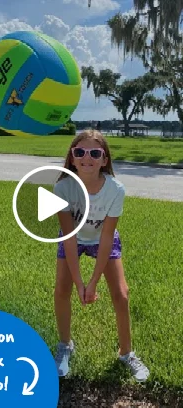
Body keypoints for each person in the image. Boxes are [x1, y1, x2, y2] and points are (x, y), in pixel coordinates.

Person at [53, 129, 150, 382]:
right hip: (73, 239)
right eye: (80, 152)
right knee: (61, 290)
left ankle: (126, 352)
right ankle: (65, 345)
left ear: (104, 160)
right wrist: (78, 283)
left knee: (122, 293)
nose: (88, 157)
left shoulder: (115, 189)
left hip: (101, 240)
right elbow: (69, 237)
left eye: (95, 153)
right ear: (72, 158)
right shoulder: (62, 188)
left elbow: (107, 236)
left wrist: (93, 282)